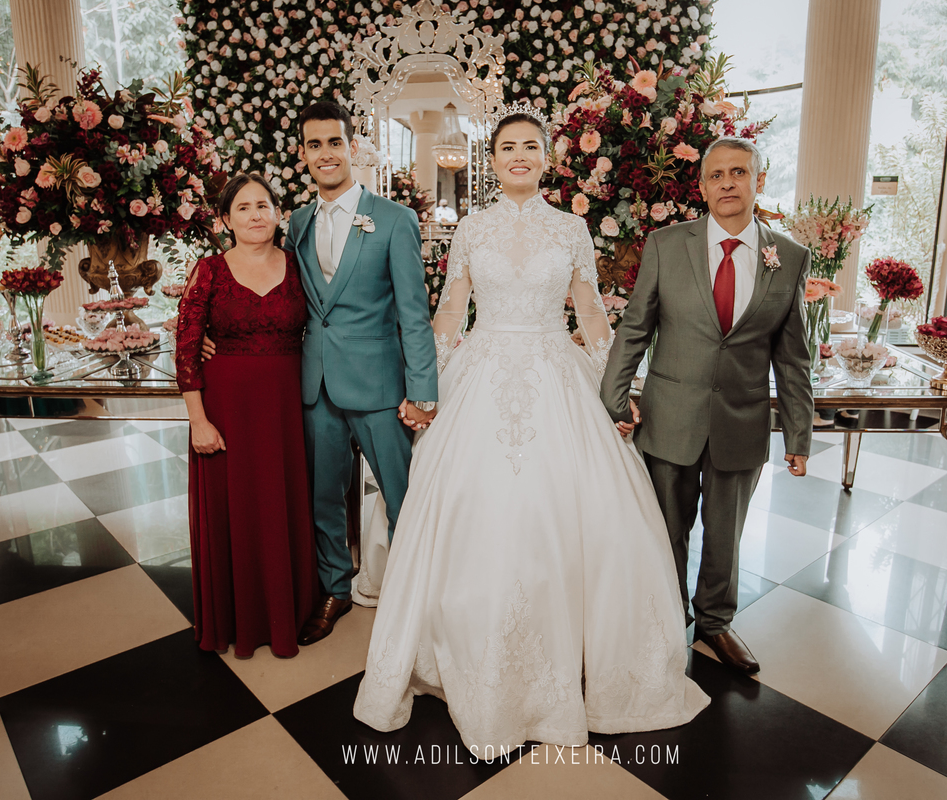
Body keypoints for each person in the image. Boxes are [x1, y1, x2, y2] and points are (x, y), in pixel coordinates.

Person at [353, 104, 709, 753]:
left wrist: (614, 389)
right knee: (469, 507)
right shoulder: (470, 230)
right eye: (508, 146)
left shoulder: (571, 229)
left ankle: (573, 663)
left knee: (575, 512)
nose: (519, 154)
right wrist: (424, 388)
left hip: (555, 371)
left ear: (546, 158)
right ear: (494, 159)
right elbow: (450, 313)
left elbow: (593, 314)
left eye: (529, 146)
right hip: (482, 372)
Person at [206, 101, 438, 645]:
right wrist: (217, 334)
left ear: (351, 147)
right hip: (314, 388)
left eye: (334, 142)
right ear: (303, 154)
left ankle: (415, 597)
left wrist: (423, 391)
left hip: (381, 388)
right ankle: (335, 587)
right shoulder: (298, 225)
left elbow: (414, 314)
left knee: (404, 496)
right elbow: (278, 294)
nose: (325, 154)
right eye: (314, 145)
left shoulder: (394, 220)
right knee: (320, 498)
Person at [600, 138, 815, 675]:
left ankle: (715, 623)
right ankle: (667, 621)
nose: (727, 183)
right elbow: (635, 328)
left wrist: (798, 435)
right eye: (716, 175)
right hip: (670, 416)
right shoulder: (666, 245)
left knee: (726, 534)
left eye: (738, 172)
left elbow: (793, 359)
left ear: (757, 181)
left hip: (741, 423)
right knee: (667, 530)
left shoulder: (787, 258)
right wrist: (612, 397)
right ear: (700, 187)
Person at [176, 172, 318, 659]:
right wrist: (198, 420)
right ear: (225, 219)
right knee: (233, 509)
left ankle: (287, 613)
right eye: (243, 208)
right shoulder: (210, 269)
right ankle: (235, 618)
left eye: (264, 205)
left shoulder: (300, 265)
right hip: (226, 410)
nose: (256, 215)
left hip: (285, 411)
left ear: (278, 214)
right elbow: (187, 348)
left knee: (283, 505)